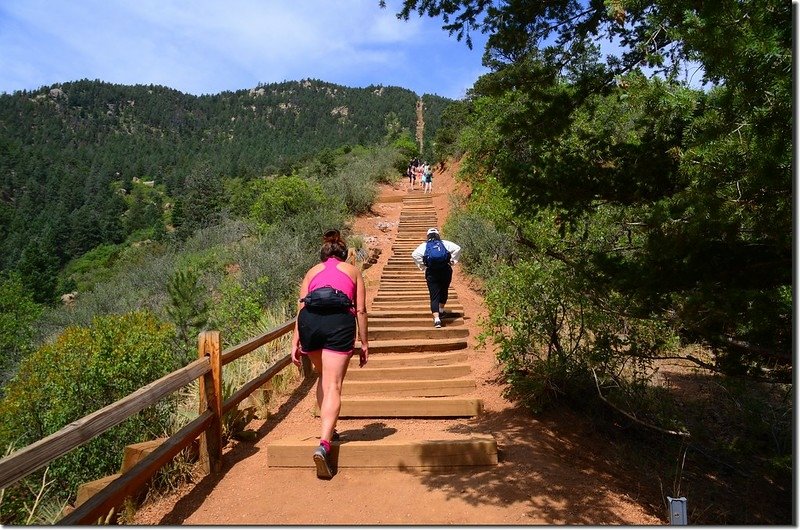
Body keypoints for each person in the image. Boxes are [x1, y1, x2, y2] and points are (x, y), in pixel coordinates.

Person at [291, 229, 369, 479]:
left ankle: (329, 428)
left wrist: (296, 340)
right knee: (334, 384)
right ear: (344, 255)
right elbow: (361, 310)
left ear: (323, 255)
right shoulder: (353, 271)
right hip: (338, 322)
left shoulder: (311, 272)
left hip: (310, 325)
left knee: (323, 377)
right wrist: (364, 342)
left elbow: (301, 307)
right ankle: (324, 444)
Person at [411, 228, 462, 328]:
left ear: (428, 236)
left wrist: (423, 265)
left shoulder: (424, 245)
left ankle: (437, 320)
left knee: (434, 296)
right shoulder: (444, 243)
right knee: (444, 290)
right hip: (445, 270)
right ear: (438, 235)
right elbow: (458, 248)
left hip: (432, 272)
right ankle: (441, 311)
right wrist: (452, 261)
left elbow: (414, 254)